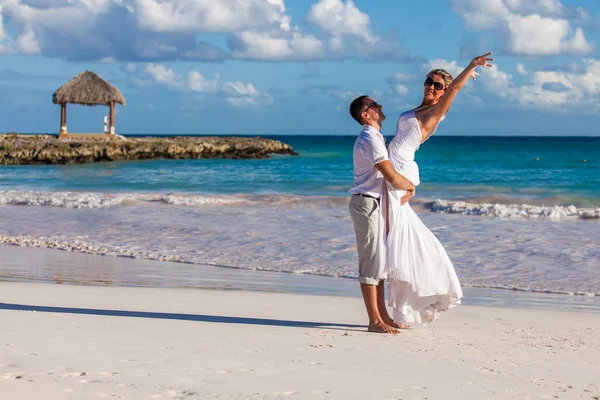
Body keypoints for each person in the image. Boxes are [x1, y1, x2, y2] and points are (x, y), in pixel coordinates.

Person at [384, 52, 494, 324]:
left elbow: (455, 88)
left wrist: (471, 66)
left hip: (397, 177)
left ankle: (408, 306)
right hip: (390, 174)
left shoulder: (435, 113)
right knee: (396, 239)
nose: (431, 87)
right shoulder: (413, 111)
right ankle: (400, 308)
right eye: (429, 82)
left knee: (399, 240)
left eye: (437, 85)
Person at [348, 95, 416, 334]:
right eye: (375, 105)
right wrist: (411, 186)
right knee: (371, 264)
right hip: (367, 205)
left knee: (380, 263)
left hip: (374, 205)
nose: (380, 106)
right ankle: (374, 321)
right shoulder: (370, 138)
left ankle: (383, 316)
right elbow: (391, 176)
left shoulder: (375, 137)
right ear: (365, 114)